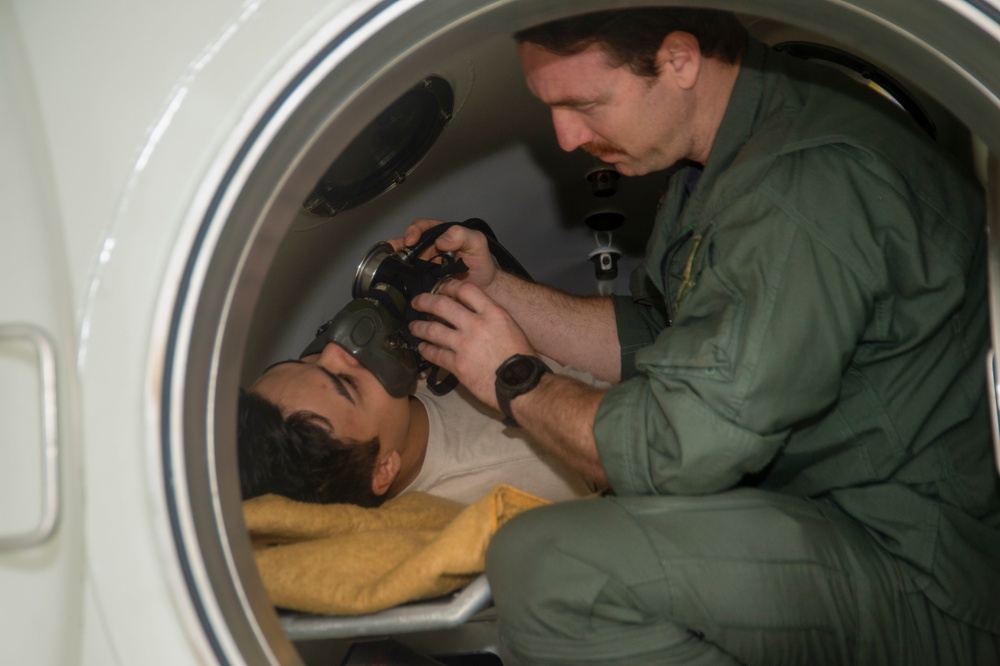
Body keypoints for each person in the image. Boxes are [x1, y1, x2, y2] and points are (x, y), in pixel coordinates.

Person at [397, 7, 1000, 665]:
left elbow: (674, 451)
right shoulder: (731, 151)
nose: (565, 137)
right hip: (840, 522)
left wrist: (517, 380)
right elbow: (665, 335)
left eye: (585, 104)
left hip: (923, 576)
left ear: (679, 60)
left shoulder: (801, 190)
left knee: (549, 568)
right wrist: (500, 289)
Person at [238, 340, 598, 506]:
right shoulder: (524, 466)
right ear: (384, 469)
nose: (335, 351)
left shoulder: (407, 375)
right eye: (347, 384)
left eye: (305, 361)